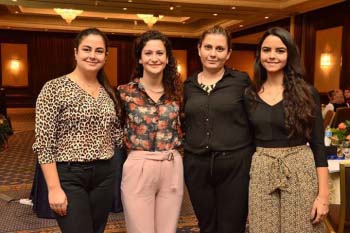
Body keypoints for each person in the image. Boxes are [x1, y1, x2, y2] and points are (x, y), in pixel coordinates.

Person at [33, 28, 123, 233]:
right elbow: (44, 142)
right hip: (69, 175)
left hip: (105, 174)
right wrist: (54, 188)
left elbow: (117, 136)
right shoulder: (54, 88)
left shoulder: (108, 92)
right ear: (76, 52)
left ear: (106, 56)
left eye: (99, 51)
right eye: (87, 49)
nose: (93, 55)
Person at [244, 27, 329, 233]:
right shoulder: (250, 94)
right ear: (259, 54)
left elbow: (318, 145)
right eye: (266, 50)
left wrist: (324, 196)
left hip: (300, 168)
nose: (272, 56)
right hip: (262, 170)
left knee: (301, 228)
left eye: (279, 50)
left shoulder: (307, 93)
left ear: (289, 54)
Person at [183, 25, 254, 233]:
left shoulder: (242, 81)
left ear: (228, 53)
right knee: (206, 226)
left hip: (235, 165)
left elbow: (255, 118)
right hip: (197, 166)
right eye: (208, 47)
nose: (213, 53)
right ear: (199, 49)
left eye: (220, 49)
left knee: (231, 227)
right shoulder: (188, 85)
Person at [118, 30, 183, 233]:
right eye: (148, 53)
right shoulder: (124, 92)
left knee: (168, 229)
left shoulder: (178, 93)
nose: (154, 58)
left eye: (159, 53)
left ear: (167, 58)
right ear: (140, 58)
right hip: (138, 164)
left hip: (171, 164)